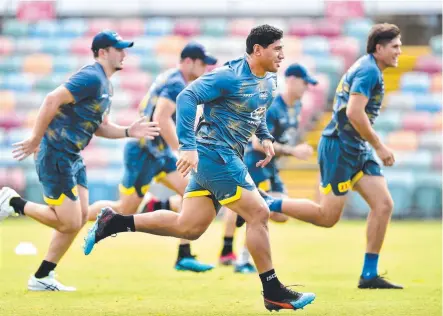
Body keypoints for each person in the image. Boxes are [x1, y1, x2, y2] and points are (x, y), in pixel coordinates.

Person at [84, 24, 316, 311]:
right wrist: (187, 146)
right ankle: (273, 290)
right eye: (277, 49)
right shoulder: (229, 76)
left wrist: (266, 137)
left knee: (189, 227)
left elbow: (258, 110)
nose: (283, 55)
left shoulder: (268, 79)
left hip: (223, 155)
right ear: (258, 50)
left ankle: (115, 221)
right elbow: (186, 97)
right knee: (259, 212)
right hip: (214, 155)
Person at [238, 23, 404, 289]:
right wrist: (381, 146)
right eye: (395, 46)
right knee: (327, 217)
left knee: (383, 204)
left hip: (356, 147)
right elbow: (354, 113)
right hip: (340, 147)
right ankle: (269, 202)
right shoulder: (368, 71)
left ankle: (369, 275)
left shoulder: (370, 69)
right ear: (379, 48)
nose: (399, 51)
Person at [0, 30, 160, 291]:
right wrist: (34, 139)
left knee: (82, 216)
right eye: (118, 48)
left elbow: (101, 127)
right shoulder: (90, 76)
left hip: (72, 155)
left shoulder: (105, 84)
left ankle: (42, 276)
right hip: (55, 152)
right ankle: (14, 201)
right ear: (103, 52)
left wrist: (130, 131)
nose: (124, 53)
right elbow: (51, 99)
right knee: (70, 221)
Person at [87, 42, 217, 273]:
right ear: (189, 62)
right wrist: (182, 149)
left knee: (192, 192)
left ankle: (184, 255)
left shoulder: (174, 79)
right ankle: (75, 218)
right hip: (144, 152)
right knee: (125, 207)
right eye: (203, 63)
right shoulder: (177, 83)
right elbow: (162, 117)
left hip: (157, 152)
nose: (206, 68)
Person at [220, 63, 317, 273]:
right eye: (304, 83)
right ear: (290, 81)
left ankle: (238, 220)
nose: (306, 88)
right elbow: (257, 143)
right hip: (255, 162)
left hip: (271, 166)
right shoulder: (273, 106)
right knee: (259, 210)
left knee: (281, 213)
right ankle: (242, 259)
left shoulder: (297, 107)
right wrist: (293, 151)